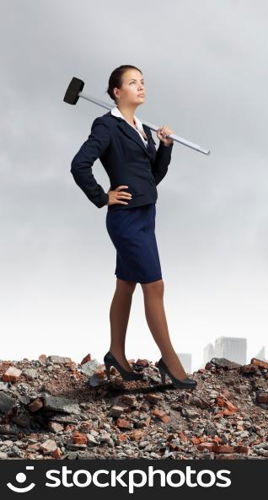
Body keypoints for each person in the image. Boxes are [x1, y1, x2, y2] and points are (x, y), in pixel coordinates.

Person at [70, 64, 196, 389]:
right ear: (116, 91)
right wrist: (102, 196)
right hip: (125, 220)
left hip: (146, 216)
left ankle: (116, 353)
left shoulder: (142, 129)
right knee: (154, 287)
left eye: (142, 82)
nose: (140, 86)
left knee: (125, 285)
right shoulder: (107, 126)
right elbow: (79, 164)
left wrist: (165, 147)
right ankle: (170, 362)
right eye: (132, 82)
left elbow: (151, 178)